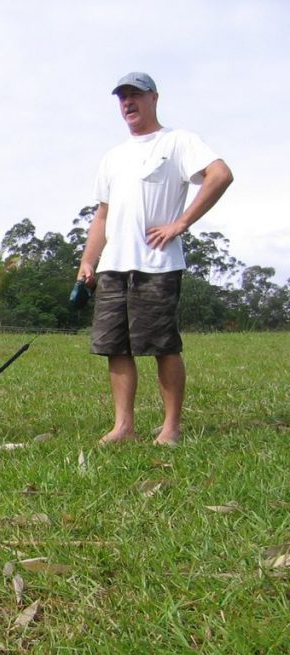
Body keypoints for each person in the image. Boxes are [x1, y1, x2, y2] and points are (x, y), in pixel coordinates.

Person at [77, 72, 233, 445]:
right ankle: (123, 426)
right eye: (122, 98)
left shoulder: (178, 142)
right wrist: (88, 261)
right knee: (115, 346)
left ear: (154, 98)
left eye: (135, 95)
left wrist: (181, 222)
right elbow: (102, 215)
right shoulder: (113, 157)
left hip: (157, 264)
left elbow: (220, 175)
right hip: (115, 265)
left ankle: (171, 427)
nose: (128, 103)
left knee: (163, 345)